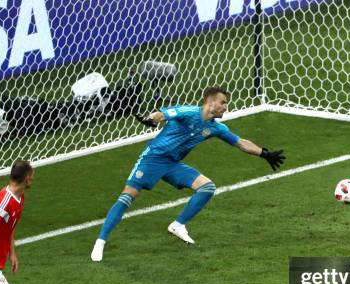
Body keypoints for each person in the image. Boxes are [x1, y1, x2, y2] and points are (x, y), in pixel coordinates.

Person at [91, 86, 285, 261]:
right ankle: (100, 241)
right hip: (153, 159)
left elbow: (241, 142)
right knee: (127, 197)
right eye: (223, 102)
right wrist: (151, 119)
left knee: (207, 187)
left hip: (173, 164)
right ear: (210, 102)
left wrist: (264, 153)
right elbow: (162, 114)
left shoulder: (216, 127)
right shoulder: (188, 112)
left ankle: (178, 225)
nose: (226, 107)